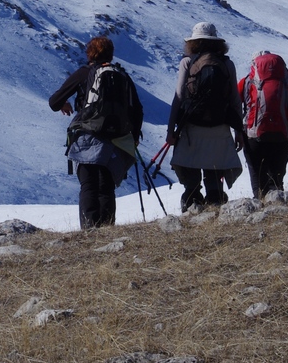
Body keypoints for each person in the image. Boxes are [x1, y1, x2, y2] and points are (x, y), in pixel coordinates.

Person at [48, 36, 143, 229]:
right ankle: (107, 229)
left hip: (88, 135)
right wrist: (133, 137)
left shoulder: (85, 73)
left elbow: (54, 101)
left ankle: (89, 229)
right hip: (116, 140)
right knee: (106, 186)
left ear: (90, 54)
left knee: (89, 184)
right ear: (111, 53)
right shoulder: (122, 75)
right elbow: (137, 110)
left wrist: (64, 104)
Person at [165, 22, 246, 212]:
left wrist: (171, 130)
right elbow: (235, 99)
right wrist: (239, 132)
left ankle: (192, 205)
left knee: (191, 171)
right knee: (214, 173)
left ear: (193, 43)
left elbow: (179, 97)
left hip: (192, 127)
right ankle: (216, 205)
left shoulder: (187, 62)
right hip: (219, 127)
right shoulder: (226, 64)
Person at [238, 50, 288, 197]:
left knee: (258, 178)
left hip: (253, 137)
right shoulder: (286, 84)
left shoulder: (246, 82)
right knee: (276, 179)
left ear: (254, 65)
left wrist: (236, 133)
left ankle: (260, 203)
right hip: (282, 136)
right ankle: (278, 204)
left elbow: (233, 105)